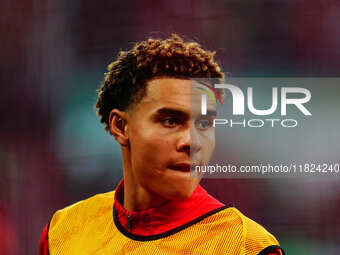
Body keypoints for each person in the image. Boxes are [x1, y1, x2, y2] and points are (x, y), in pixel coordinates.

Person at [39, 34, 284, 255]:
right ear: (121, 127)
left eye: (204, 124)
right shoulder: (63, 232)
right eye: (170, 121)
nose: (192, 142)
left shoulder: (246, 246)